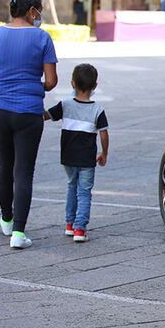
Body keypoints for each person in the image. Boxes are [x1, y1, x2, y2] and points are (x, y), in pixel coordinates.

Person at [0, 0, 58, 249]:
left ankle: (6, 220)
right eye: (39, 10)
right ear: (32, 11)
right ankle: (19, 234)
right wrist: (33, 85)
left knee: (4, 166)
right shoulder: (42, 38)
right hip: (29, 112)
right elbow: (51, 81)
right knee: (24, 171)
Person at [45, 64, 109, 243]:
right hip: (87, 159)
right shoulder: (98, 110)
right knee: (84, 192)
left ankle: (69, 224)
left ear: (72, 83)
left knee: (72, 187)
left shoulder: (65, 104)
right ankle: (80, 229)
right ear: (95, 86)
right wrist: (104, 153)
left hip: (68, 157)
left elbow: (46, 115)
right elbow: (104, 133)